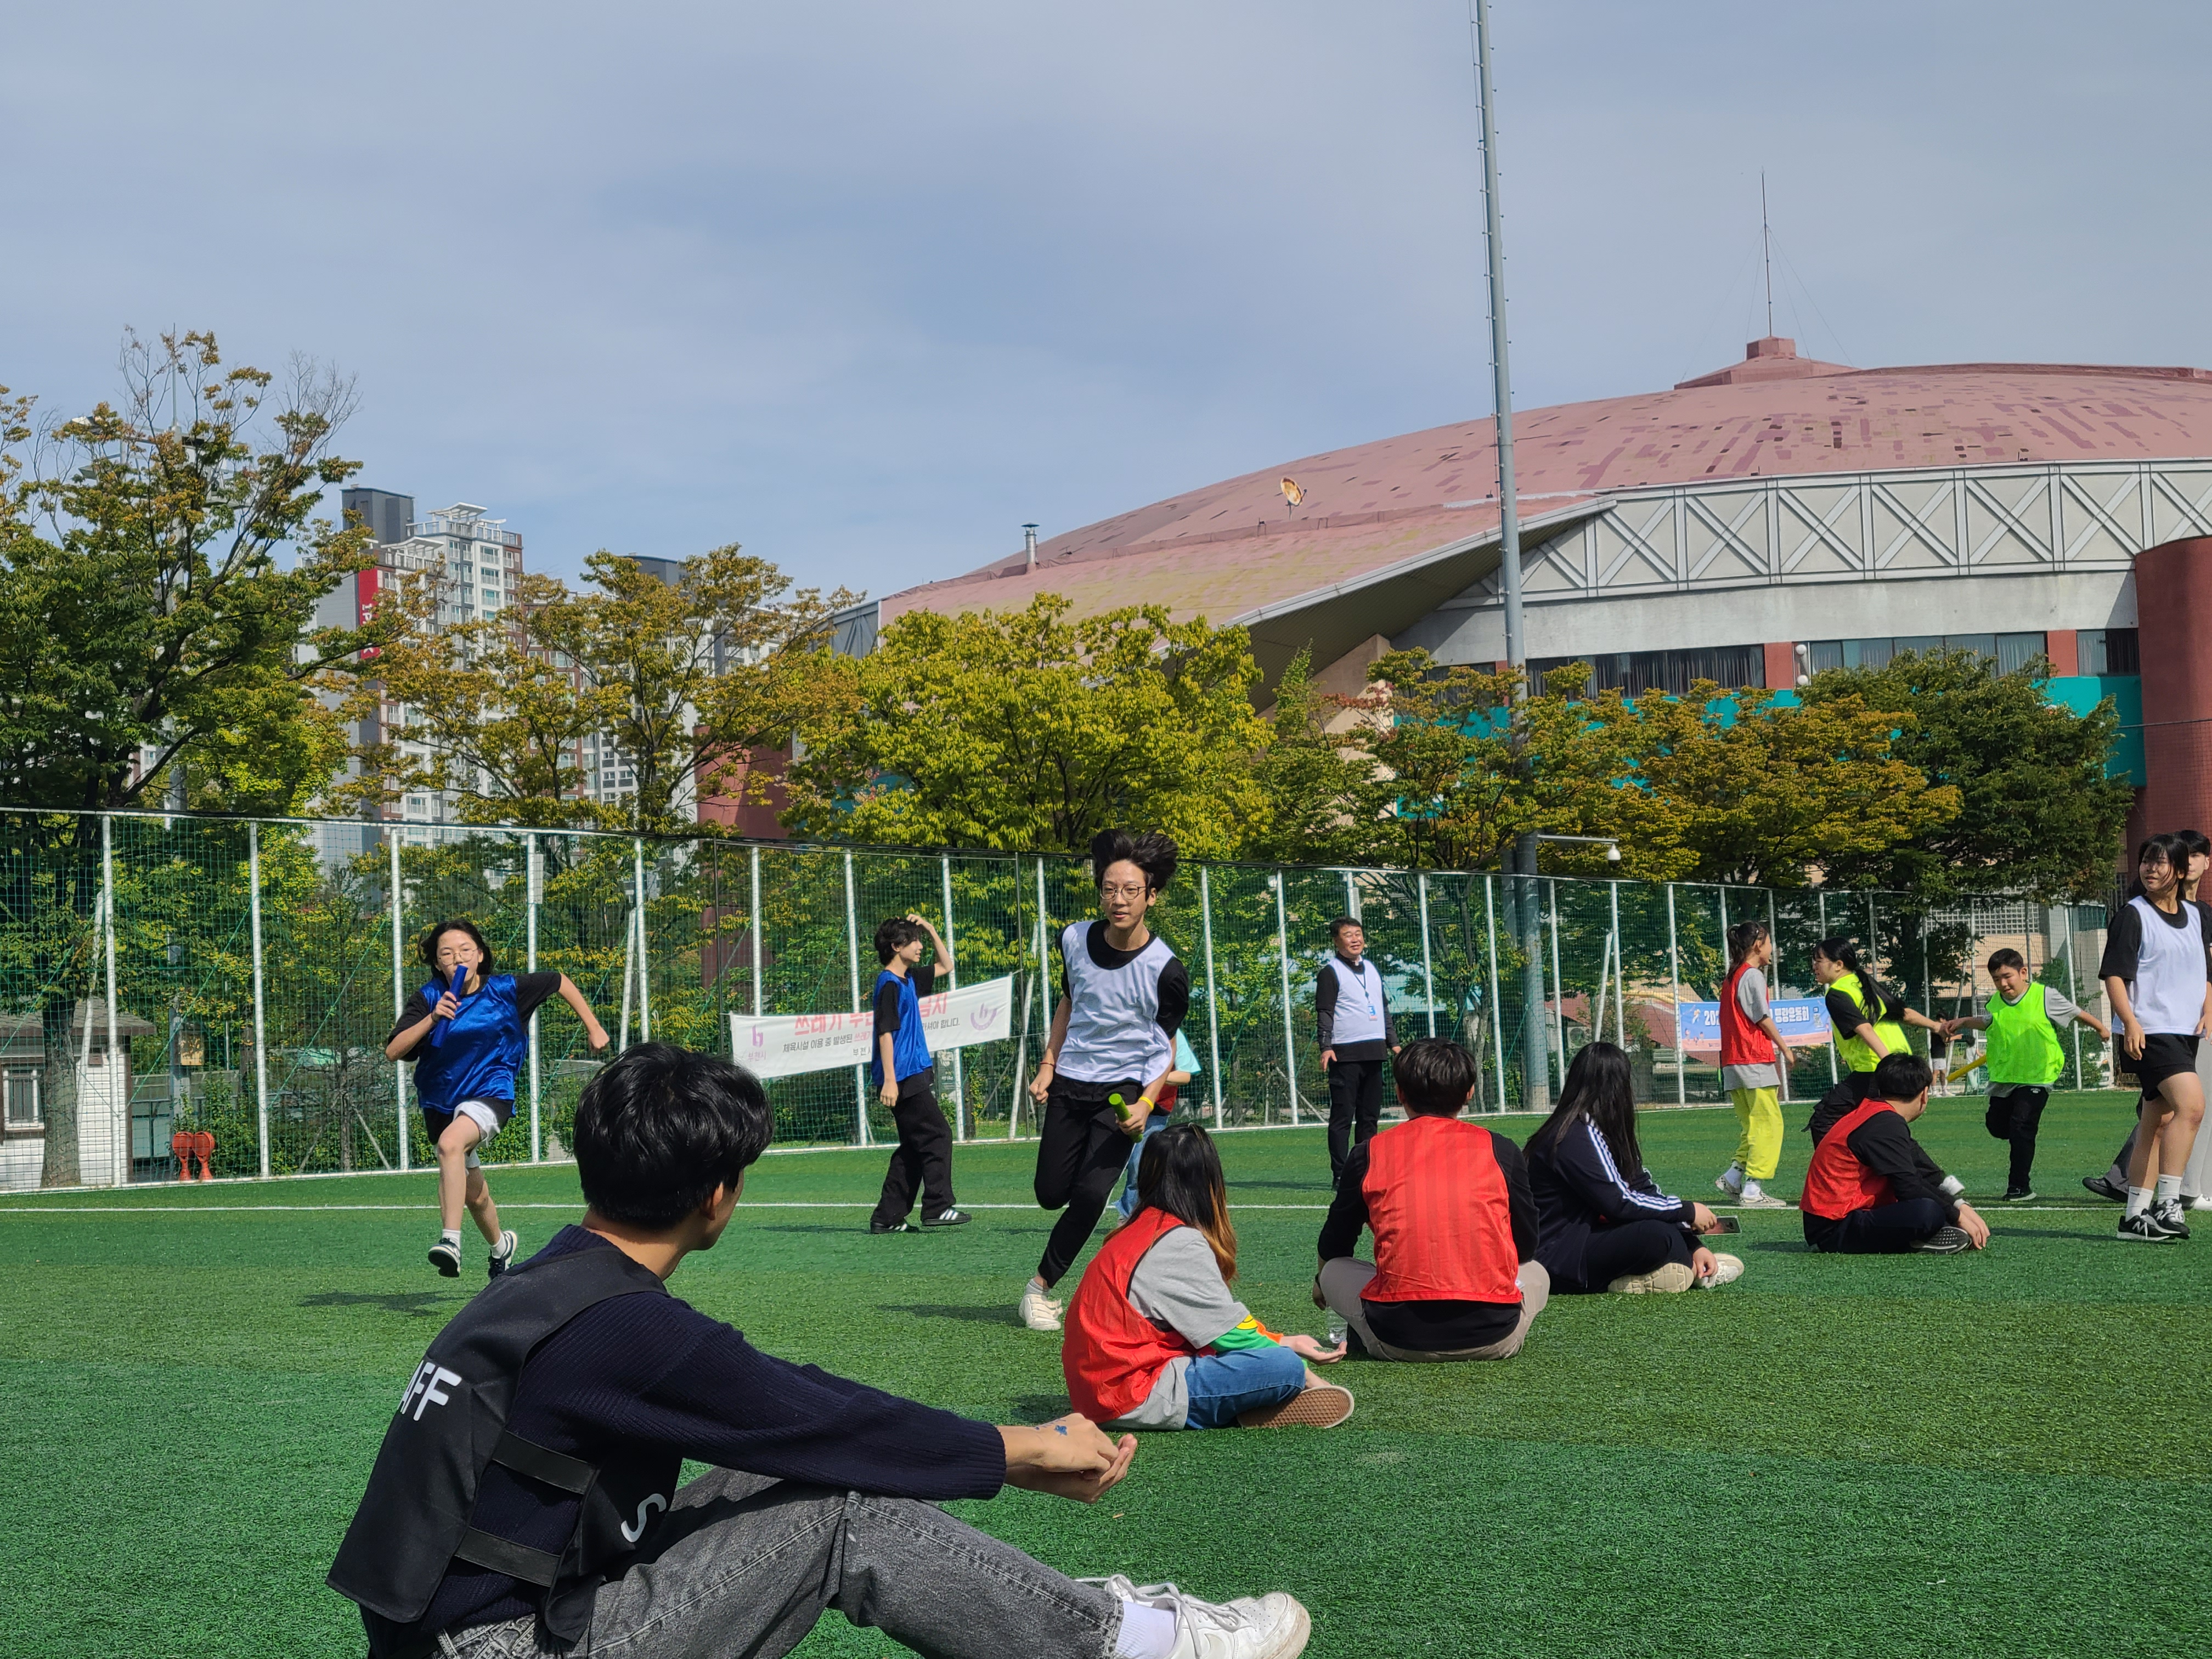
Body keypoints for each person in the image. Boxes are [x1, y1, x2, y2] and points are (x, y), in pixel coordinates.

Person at [328, 1043, 1313, 1659]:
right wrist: (1020, 1449)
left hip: (455, 1631)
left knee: (777, 1476)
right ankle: (1132, 1645)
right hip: (502, 1648)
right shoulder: (625, 1324)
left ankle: (1074, 1618)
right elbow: (823, 1416)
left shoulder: (547, 1278)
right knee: (843, 1509)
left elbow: (793, 1428)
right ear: (718, 1194)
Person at [1063, 1122, 1352, 1431]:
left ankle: (1246, 1403)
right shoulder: (1178, 1243)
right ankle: (1245, 1404)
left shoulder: (1135, 1230)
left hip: (1097, 1391)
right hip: (1132, 1395)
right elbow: (1230, 1335)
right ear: (1206, 1181)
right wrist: (1307, 1376)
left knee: (1263, 1354)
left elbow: (1213, 1328)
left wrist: (1286, 1340)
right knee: (1284, 1366)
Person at [1023, 830, 1190, 1333]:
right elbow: (1069, 1001)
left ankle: (1039, 1288)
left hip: (1122, 1093)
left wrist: (1147, 1103)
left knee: (1092, 1196)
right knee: (1050, 1193)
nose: (1118, 899)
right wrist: (1048, 1064)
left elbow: (1166, 1045)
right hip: (1070, 1082)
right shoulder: (1073, 939)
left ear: (1151, 896)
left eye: (1131, 890)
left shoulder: (1166, 969)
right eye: (1109, 889)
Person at [385, 917, 610, 1279]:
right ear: (438, 963)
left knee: (450, 1145)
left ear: (480, 955)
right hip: (441, 1103)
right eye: (447, 954)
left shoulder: (506, 990)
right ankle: (501, 1245)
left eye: (465, 950)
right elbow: (394, 1051)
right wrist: (433, 1018)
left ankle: (450, 1241)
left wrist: (594, 1026)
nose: (457, 958)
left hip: (491, 1093)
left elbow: (558, 980)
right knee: (474, 1195)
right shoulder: (428, 998)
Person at [1313, 1037, 1549, 1361]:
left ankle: (1364, 1329)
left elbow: (1335, 1244)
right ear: (1469, 1093)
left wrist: (1321, 1282)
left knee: (1332, 1271)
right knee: (1537, 1271)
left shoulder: (1369, 1152)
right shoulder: (1502, 1149)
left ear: (1400, 1093)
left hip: (1396, 1338)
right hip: (1495, 1336)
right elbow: (1526, 1245)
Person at [1524, 1040, 1742, 1295]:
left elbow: (1641, 1188)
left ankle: (1677, 1269)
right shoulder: (1575, 1135)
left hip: (1582, 1242)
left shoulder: (1602, 1130)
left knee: (1663, 1234)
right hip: (1557, 1257)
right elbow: (1620, 1203)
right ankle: (1689, 1273)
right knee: (1660, 1237)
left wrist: (1694, 1245)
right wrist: (1688, 1210)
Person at [2086, 828, 2211, 1208]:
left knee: (2157, 1122)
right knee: (2192, 1107)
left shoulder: (2198, 916)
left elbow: (2204, 971)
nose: (2149, 869)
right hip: (2151, 1031)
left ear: (2179, 870)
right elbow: (2114, 975)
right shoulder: (2133, 915)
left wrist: (2208, 1008)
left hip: (2186, 1032)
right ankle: (2170, 1203)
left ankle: (2136, 1213)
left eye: (2159, 862)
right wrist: (2130, 1022)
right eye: (2146, 861)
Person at [1950, 947, 2108, 1201]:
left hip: (2038, 1075)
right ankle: (2020, 1140)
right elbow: (1988, 1022)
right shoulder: (1996, 1002)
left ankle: (2019, 1187)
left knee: (2022, 1126)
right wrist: (1964, 1022)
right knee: (1997, 1127)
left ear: (2023, 972)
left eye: (2007, 977)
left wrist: (2101, 1028)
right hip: (2005, 1076)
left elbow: (2075, 1013)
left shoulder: (2044, 996)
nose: (2003, 984)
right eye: (1997, 979)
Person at [1800, 1053, 1990, 1254]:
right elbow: (1909, 1188)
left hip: (1836, 1221)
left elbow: (1915, 1176)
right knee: (1928, 1212)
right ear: (1924, 1094)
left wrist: (1958, 1206)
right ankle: (1914, 1240)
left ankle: (1920, 1235)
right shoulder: (1886, 1123)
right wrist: (1957, 1215)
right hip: (1834, 1229)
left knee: (1931, 1207)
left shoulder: (1874, 1113)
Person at [867, 911, 973, 1234]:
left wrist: (929, 928)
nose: (920, 946)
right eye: (914, 941)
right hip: (902, 1077)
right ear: (896, 947)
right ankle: (937, 1207)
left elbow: (947, 965)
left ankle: (887, 1217)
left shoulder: (909, 979)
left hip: (911, 1073)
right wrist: (889, 1080)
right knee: (938, 1135)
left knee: (913, 1148)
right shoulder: (889, 984)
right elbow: (885, 1033)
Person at [1713, 919, 1792, 1210]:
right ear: (1758, 945)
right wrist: (1785, 1048)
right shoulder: (1752, 975)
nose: (1772, 949)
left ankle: (1734, 1176)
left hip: (1733, 1062)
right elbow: (1762, 1017)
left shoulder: (1732, 976)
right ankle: (1753, 1188)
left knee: (1753, 1126)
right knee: (1769, 1125)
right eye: (1770, 943)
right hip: (1753, 1059)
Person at [1316, 916, 1400, 1184]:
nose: (1355, 939)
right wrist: (1326, 1046)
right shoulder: (1330, 972)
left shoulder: (1372, 969)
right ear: (1336, 941)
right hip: (1345, 1053)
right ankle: (1341, 1174)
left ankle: (1367, 1171)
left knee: (1369, 1117)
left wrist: (1393, 1042)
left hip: (1374, 1052)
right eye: (1348, 935)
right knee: (1342, 1117)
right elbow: (1325, 1012)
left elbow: (1383, 1009)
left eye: (1358, 934)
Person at [1810, 935, 1955, 1075]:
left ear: (1839, 965)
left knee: (1842, 1094)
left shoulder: (1836, 993)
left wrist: (1889, 1064)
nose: (1814, 967)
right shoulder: (1864, 983)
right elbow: (1904, 1014)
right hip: (1902, 1062)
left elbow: (1865, 1029)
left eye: (1818, 961)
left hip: (1876, 1068)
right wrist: (1936, 1027)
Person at [1110, 1029, 1200, 1229]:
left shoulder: (1173, 1033)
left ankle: (1129, 1216)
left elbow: (1185, 1075)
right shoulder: (1123, 1029)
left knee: (1140, 1165)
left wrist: (1154, 1078)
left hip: (1156, 1110)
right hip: (1120, 1106)